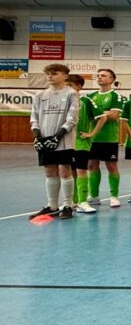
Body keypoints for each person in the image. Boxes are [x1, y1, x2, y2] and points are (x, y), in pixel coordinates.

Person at [29, 63, 79, 220]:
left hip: (64, 140)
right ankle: (52, 206)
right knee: (49, 171)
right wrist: (37, 137)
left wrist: (57, 137)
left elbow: (72, 119)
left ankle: (68, 205)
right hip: (45, 139)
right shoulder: (40, 95)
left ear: (65, 76)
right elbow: (34, 117)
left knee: (65, 170)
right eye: (48, 74)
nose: (50, 76)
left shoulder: (71, 94)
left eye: (55, 73)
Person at [86, 68, 126, 208]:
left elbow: (114, 116)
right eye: (98, 75)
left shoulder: (116, 96)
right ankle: (94, 195)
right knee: (92, 165)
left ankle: (114, 196)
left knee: (111, 166)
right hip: (93, 137)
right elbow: (88, 115)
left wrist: (98, 114)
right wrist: (105, 113)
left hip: (109, 138)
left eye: (103, 75)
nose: (99, 77)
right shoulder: (90, 96)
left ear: (111, 79)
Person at [66, 74, 97, 213]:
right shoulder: (62, 101)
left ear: (79, 86)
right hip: (66, 143)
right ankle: (73, 202)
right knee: (70, 171)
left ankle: (83, 202)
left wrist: (91, 133)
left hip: (81, 142)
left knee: (81, 170)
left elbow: (101, 118)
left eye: (70, 85)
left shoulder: (86, 101)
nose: (67, 88)